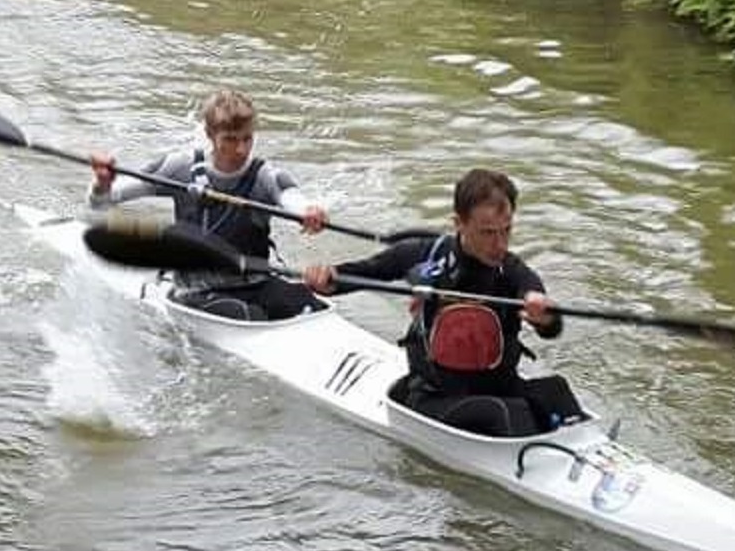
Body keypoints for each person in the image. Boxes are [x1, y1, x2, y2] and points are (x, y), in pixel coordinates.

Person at [303, 168, 584, 437]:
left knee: (555, 390)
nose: (500, 244)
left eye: (506, 230)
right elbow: (357, 275)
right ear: (459, 224)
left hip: (498, 386)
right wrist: (325, 279)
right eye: (488, 232)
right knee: (505, 412)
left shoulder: (513, 272)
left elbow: (551, 327)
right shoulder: (423, 254)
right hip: (436, 397)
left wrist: (543, 315)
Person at [87, 88, 330, 321]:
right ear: (210, 135)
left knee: (309, 303)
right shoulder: (179, 167)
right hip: (196, 292)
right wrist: (103, 183)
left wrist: (308, 212)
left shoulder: (264, 175)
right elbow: (101, 201)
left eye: (247, 138)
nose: (241, 149)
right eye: (231, 139)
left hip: (255, 282)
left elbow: (292, 198)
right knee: (241, 313)